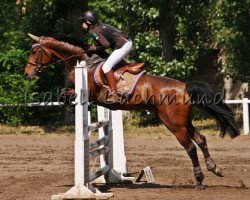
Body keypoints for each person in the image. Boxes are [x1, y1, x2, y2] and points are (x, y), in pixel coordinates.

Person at [79, 10, 132, 103]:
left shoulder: (94, 31)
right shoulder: (99, 26)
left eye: (83, 21)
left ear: (88, 22)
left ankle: (114, 94)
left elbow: (106, 45)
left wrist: (93, 48)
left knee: (106, 67)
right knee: (110, 62)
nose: (82, 24)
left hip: (123, 45)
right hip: (125, 43)